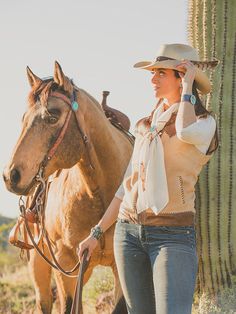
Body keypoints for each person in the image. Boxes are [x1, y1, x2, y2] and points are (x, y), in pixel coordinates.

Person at [77, 43, 218, 314]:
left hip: (172, 235)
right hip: (128, 233)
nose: (152, 79)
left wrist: (188, 87)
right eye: (152, 73)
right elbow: (127, 186)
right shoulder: (146, 126)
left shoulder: (204, 124)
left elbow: (184, 130)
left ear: (181, 76)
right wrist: (96, 233)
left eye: (161, 73)